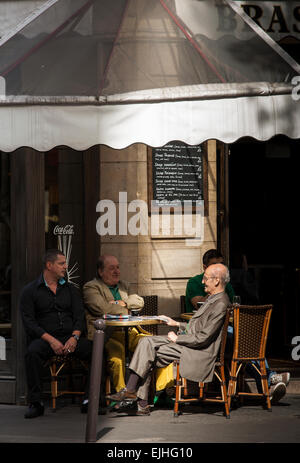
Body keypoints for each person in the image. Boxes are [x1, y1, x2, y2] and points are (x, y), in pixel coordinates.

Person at [106, 263, 230, 416]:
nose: (202, 282)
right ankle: (135, 397)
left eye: (205, 279)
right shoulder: (212, 299)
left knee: (148, 352)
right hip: (189, 343)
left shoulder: (220, 303)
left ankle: (137, 397)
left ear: (216, 280)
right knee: (145, 343)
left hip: (199, 351)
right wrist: (176, 323)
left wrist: (178, 339)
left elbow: (204, 337)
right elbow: (198, 328)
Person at [186, 249, 290, 404]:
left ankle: (268, 382)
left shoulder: (225, 284)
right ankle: (268, 381)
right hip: (204, 333)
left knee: (244, 341)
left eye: (221, 264)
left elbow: (232, 304)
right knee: (241, 341)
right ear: (204, 266)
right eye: (214, 265)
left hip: (224, 332)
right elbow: (198, 304)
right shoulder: (196, 282)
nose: (219, 268)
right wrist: (214, 287)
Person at [20, 249, 92, 419]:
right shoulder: (30, 291)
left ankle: (90, 399)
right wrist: (51, 340)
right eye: (61, 263)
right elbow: (29, 323)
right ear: (49, 265)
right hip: (45, 339)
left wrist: (74, 337)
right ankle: (36, 402)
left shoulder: (70, 289)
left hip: (70, 338)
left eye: (65, 263)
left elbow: (79, 316)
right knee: (32, 353)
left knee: (97, 351)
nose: (66, 267)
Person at [83, 255, 146, 394]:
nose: (117, 271)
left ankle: (162, 391)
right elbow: (102, 309)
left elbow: (140, 302)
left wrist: (120, 303)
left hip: (129, 331)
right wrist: (127, 308)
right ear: (100, 271)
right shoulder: (91, 287)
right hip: (107, 334)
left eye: (117, 267)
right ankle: (121, 394)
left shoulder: (124, 285)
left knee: (150, 344)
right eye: (112, 268)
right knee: (117, 353)